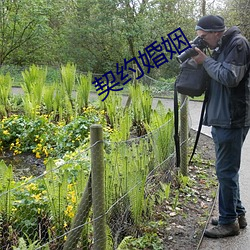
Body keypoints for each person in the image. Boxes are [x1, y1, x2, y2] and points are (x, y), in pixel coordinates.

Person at [192, 15, 250, 238]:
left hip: (232, 118)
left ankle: (228, 223)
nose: (203, 41)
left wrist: (205, 61)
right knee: (227, 171)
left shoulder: (238, 44)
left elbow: (229, 77)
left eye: (204, 37)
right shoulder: (221, 46)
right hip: (222, 117)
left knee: (225, 171)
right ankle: (237, 214)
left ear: (217, 32)